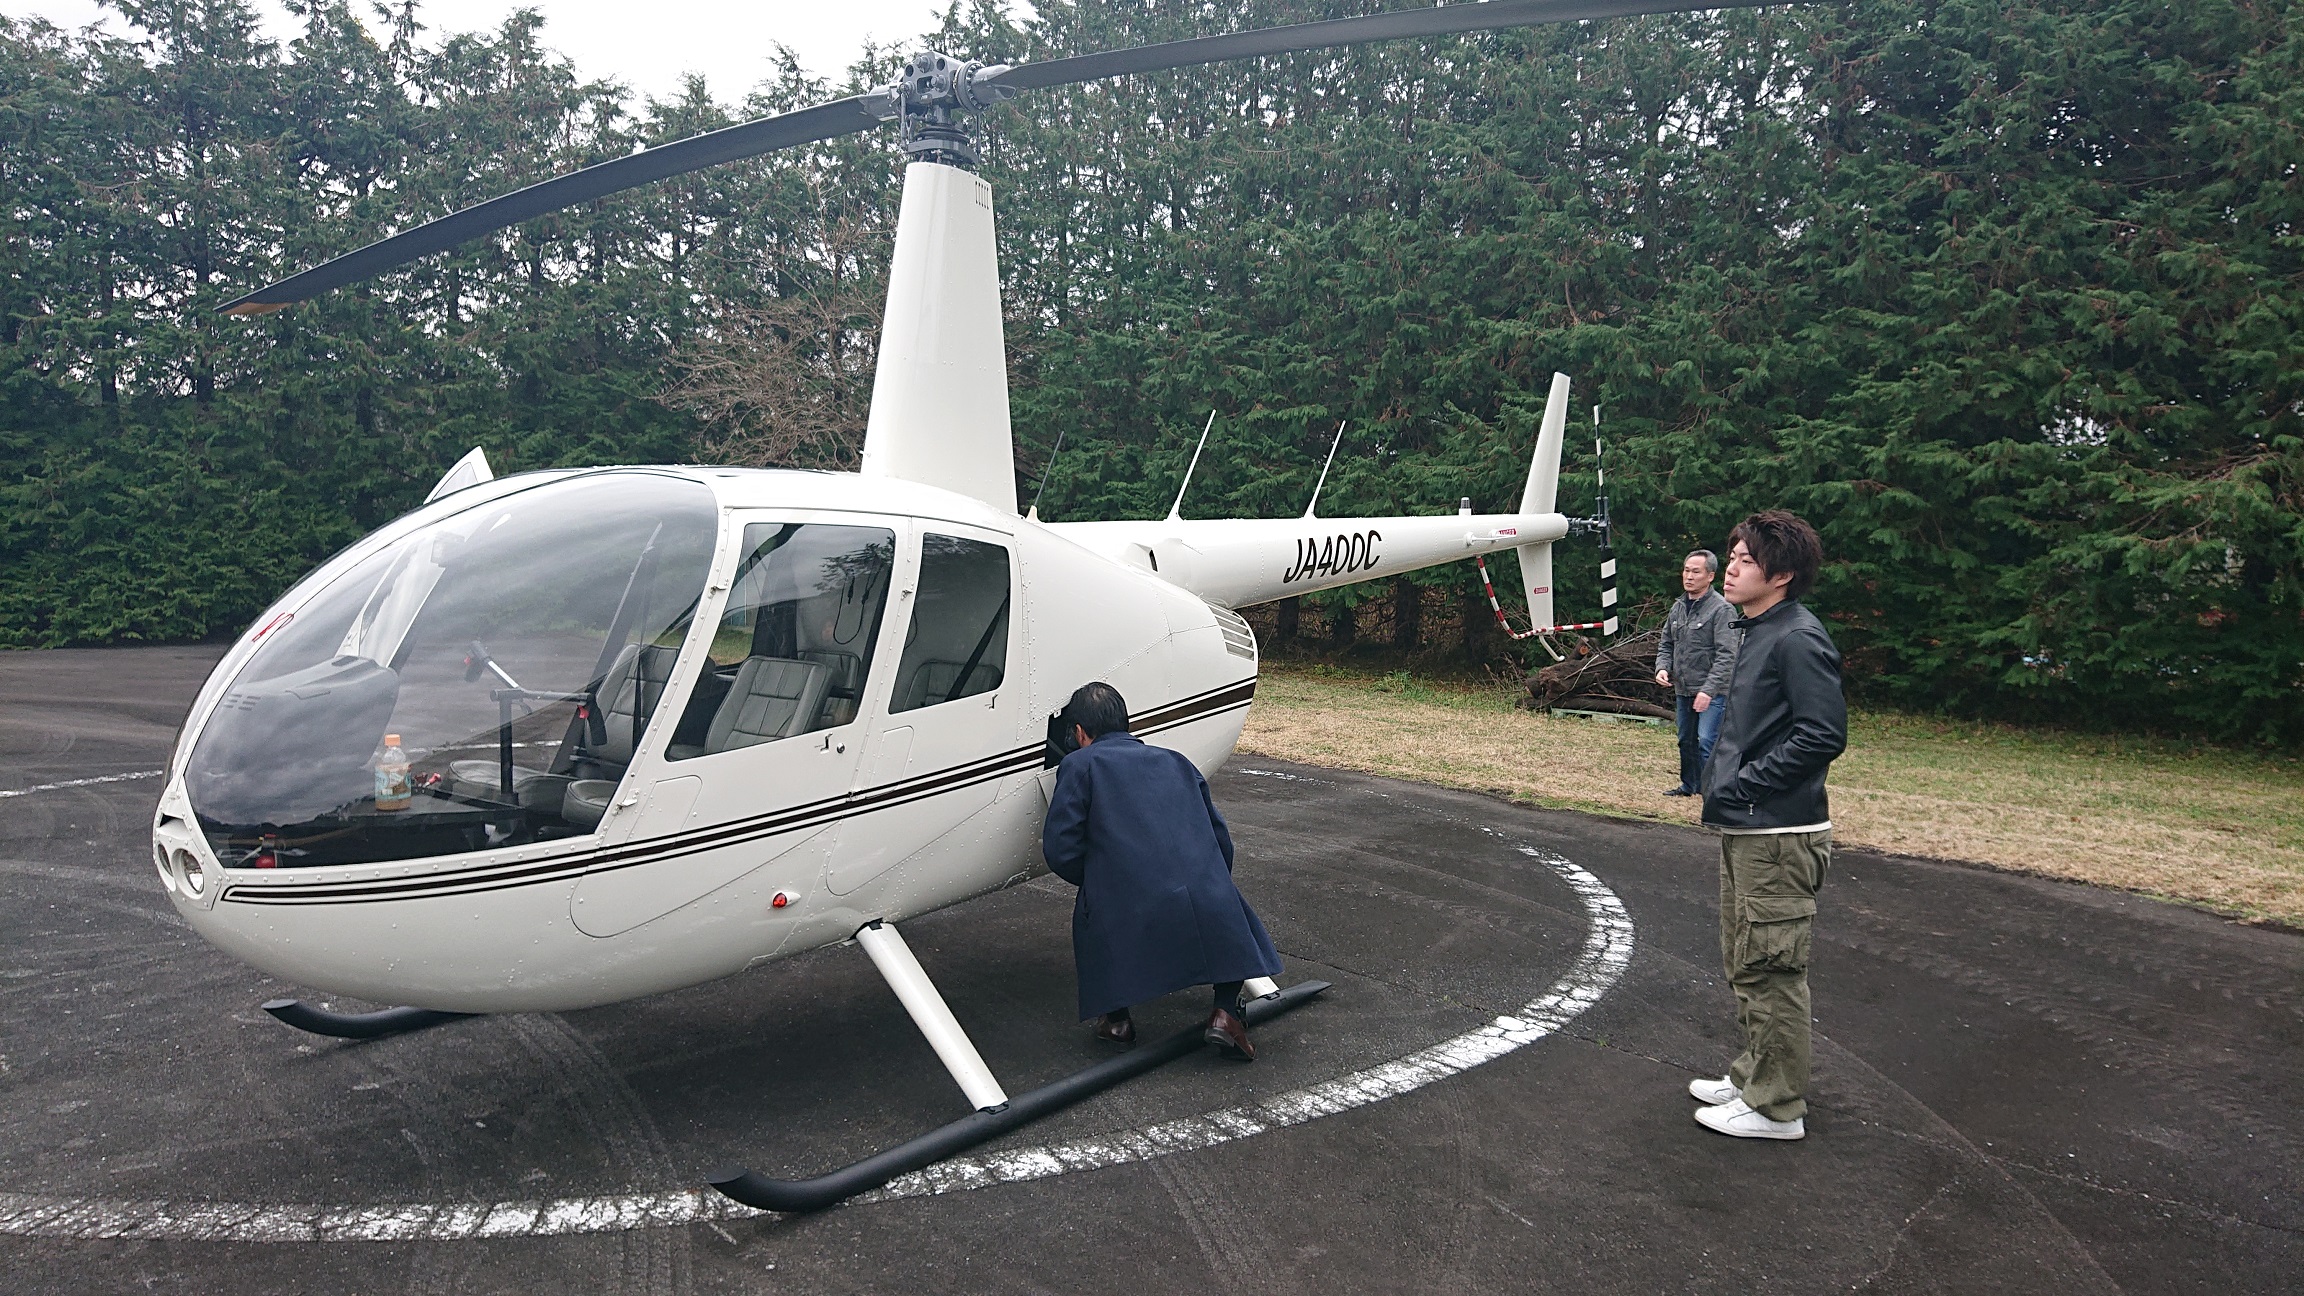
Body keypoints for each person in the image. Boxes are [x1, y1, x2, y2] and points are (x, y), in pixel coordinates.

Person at [1691, 510, 1846, 1141]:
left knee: (1772, 969)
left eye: (1746, 560)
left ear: (1781, 575)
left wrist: (1745, 786)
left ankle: (1777, 1107)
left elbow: (1822, 734)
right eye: (1731, 555)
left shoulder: (1796, 638)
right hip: (1750, 830)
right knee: (1746, 960)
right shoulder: (1757, 628)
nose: (1730, 568)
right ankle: (1755, 1075)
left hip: (1778, 835)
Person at [1041, 681, 1283, 1060]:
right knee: (1223, 904)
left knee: (1092, 913)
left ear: (1080, 732)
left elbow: (1060, 849)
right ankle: (1225, 1012)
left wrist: (1100, 879)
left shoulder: (1079, 765)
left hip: (1128, 902)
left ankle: (1117, 1021)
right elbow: (1220, 839)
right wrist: (1211, 880)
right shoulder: (1176, 761)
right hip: (1205, 897)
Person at [1654, 549, 1738, 797]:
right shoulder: (1678, 607)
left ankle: (1712, 792)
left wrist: (1708, 691)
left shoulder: (1722, 610)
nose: (1689, 576)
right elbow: (1666, 643)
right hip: (1684, 688)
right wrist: (1662, 667)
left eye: (1696, 572)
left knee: (1707, 741)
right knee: (1686, 740)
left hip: (1713, 692)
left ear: (1710, 576)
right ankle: (1689, 786)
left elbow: (1727, 655)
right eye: (1686, 570)